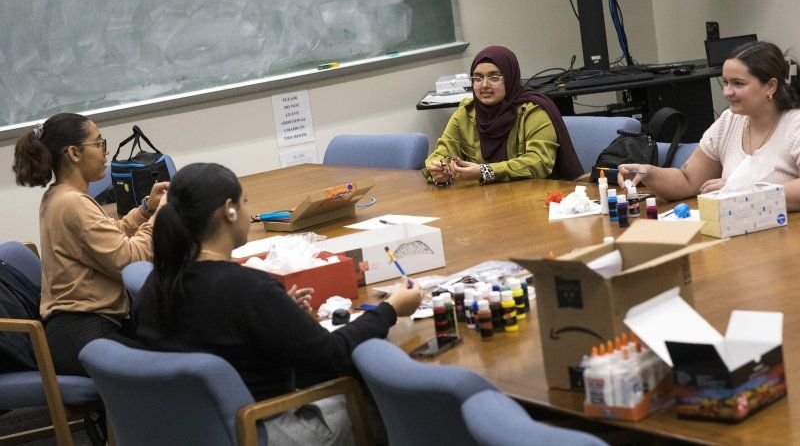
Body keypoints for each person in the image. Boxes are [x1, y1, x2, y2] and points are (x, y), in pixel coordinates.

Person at [133, 163, 422, 445]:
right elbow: (332, 356)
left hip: (187, 430)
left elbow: (217, 333)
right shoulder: (248, 289)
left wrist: (279, 313)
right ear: (228, 211)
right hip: (257, 428)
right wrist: (391, 309)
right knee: (377, 397)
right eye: (246, 202)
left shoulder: (155, 284)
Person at [12, 112, 169, 375]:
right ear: (74, 152)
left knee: (174, 340)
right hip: (81, 333)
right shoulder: (72, 203)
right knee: (174, 365)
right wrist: (163, 216)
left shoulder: (61, 195)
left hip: (84, 326)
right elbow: (132, 259)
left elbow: (108, 236)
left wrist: (145, 209)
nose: (105, 151)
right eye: (98, 143)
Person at [618, 41, 800, 211]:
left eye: (738, 83)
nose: (727, 92)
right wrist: (649, 173)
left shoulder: (795, 125)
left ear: (771, 86)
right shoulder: (728, 121)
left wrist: (742, 190)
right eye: (726, 82)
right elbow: (689, 180)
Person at [423, 45, 583, 185]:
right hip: (484, 200)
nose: (484, 85)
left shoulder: (533, 111)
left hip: (533, 199)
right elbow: (441, 154)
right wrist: (438, 170)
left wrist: (486, 171)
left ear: (510, 78)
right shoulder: (465, 112)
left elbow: (539, 162)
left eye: (494, 77)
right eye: (477, 78)